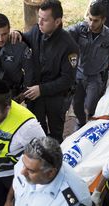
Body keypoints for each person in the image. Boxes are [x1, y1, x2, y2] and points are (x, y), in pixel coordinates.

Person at [4, 137, 92, 206]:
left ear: (50, 172)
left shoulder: (74, 200)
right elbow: (17, 181)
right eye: (23, 165)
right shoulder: (27, 163)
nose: (22, 172)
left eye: (31, 171)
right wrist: (9, 200)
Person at [18, 0, 79, 142]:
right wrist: (17, 33)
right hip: (36, 94)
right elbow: (27, 38)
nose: (39, 22)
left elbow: (67, 79)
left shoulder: (69, 46)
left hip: (56, 98)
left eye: (44, 19)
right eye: (39, 17)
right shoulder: (37, 31)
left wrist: (41, 89)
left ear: (57, 22)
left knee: (56, 134)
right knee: (37, 130)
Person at [68, 2, 109, 128]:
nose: (91, 24)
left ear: (103, 20)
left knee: (91, 106)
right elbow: (65, 34)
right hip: (78, 74)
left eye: (95, 20)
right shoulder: (80, 29)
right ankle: (80, 123)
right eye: (90, 19)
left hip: (95, 78)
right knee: (77, 104)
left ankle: (90, 124)